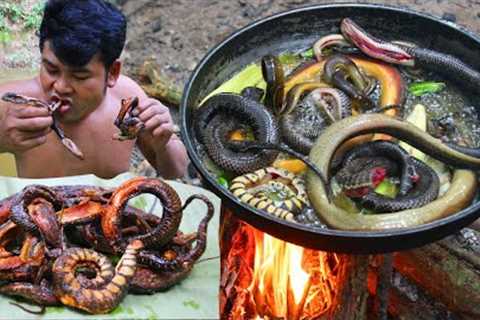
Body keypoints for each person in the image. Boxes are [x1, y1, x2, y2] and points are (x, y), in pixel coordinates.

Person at [0, 0, 188, 179]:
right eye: (51, 69)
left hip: (110, 209)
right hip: (30, 210)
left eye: (79, 76)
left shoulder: (127, 102)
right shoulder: (10, 105)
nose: (60, 87)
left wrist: (163, 144)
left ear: (112, 73)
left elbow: (175, 171)